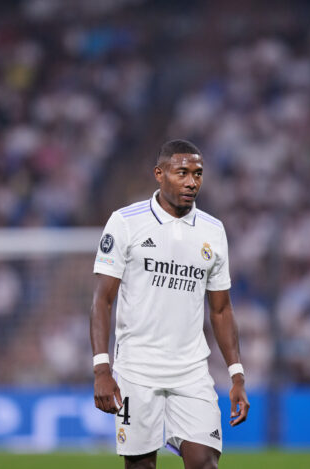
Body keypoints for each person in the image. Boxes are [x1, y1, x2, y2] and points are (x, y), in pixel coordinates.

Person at [90, 139, 249, 469]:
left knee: (205, 463)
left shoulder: (213, 231)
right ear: (159, 174)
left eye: (198, 173)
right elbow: (102, 299)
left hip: (191, 371)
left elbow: (221, 309)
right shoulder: (125, 222)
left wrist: (237, 374)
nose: (192, 182)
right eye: (182, 173)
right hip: (137, 370)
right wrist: (102, 369)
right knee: (141, 466)